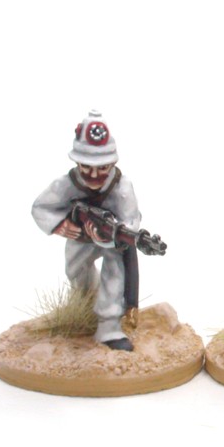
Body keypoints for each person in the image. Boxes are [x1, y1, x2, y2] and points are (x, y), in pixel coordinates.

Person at [32, 110, 141, 351]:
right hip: (79, 238)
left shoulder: (122, 188)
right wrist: (60, 225)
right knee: (75, 271)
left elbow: (132, 222)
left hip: (112, 241)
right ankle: (84, 305)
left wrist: (110, 235)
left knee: (115, 273)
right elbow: (40, 208)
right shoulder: (65, 185)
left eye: (102, 168)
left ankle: (109, 327)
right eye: (86, 167)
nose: (93, 175)